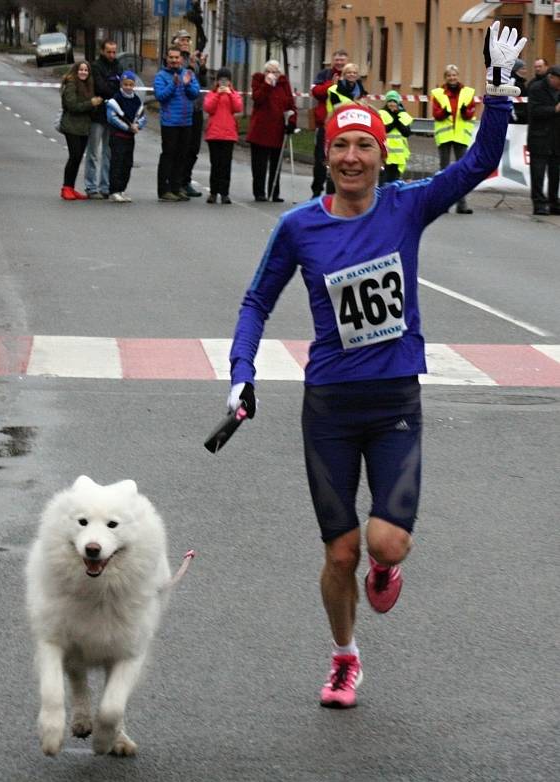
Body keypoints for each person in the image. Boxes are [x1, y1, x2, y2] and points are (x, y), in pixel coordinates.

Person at [225, 22, 525, 709]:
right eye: (341, 145)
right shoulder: (299, 226)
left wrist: (500, 91)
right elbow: (255, 302)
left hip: (392, 403)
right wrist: (241, 370)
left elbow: (476, 163)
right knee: (339, 554)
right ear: (325, 155)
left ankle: (386, 569)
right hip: (328, 405)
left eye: (363, 144)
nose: (353, 156)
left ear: (377, 155)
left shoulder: (405, 206)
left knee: (384, 545)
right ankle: (343, 656)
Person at [153, 47, 200, 202]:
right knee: (168, 155)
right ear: (167, 58)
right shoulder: (161, 76)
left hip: (186, 121)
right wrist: (173, 85)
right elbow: (160, 96)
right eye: (171, 57)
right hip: (170, 122)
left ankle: (176, 187)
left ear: (181, 59)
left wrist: (186, 85)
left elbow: (195, 93)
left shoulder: (188, 74)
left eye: (176, 57)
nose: (174, 60)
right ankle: (164, 189)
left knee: (182, 156)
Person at [246, 61, 297, 203]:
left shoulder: (284, 84)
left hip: (278, 128)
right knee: (259, 164)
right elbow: (258, 99)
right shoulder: (259, 81)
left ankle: (274, 191)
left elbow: (291, 104)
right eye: (269, 71)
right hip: (261, 129)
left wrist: (292, 122)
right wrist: (267, 85)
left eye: (275, 72)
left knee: (276, 162)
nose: (272, 74)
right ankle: (259, 192)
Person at [431, 64, 476, 214]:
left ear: (458, 76)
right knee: (444, 171)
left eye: (454, 75)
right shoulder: (438, 93)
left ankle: (461, 204)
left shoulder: (468, 92)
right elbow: (436, 113)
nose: (452, 78)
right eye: (449, 75)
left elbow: (471, 112)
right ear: (445, 78)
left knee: (461, 171)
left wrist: (465, 112)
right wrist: (443, 113)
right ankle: (442, 203)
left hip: (461, 136)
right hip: (445, 135)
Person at [172, 29, 208, 199]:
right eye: (182, 39)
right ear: (176, 42)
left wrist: (203, 68)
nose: (186, 42)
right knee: (181, 147)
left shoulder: (194, 59)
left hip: (196, 108)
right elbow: (180, 77)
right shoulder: (175, 58)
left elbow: (203, 84)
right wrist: (192, 67)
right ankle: (176, 182)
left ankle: (186, 180)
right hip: (182, 108)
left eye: (188, 39)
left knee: (193, 147)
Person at [59, 62, 103, 201]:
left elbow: (89, 107)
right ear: (75, 71)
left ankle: (71, 187)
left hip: (84, 127)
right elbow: (72, 106)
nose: (83, 72)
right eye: (81, 70)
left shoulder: (88, 85)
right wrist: (91, 103)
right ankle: (66, 187)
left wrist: (95, 105)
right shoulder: (71, 84)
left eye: (86, 70)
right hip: (71, 126)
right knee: (74, 156)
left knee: (78, 158)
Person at [84, 40, 121, 199]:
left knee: (109, 152)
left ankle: (105, 186)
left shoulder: (118, 66)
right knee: (93, 152)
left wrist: (113, 87)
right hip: (97, 115)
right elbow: (100, 87)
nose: (112, 55)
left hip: (112, 116)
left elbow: (122, 86)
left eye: (114, 52)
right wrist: (113, 87)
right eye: (109, 52)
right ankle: (91, 186)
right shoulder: (96, 67)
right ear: (102, 51)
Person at [310, 49, 349, 198]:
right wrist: (331, 85)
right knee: (320, 158)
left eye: (342, 60)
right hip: (325, 124)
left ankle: (336, 192)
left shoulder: (350, 77)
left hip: (344, 125)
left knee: (340, 159)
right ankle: (316, 191)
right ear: (333, 61)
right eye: (337, 60)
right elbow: (316, 92)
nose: (339, 63)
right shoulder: (324, 75)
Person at [203, 67, 243, 204]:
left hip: (228, 134)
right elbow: (208, 108)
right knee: (215, 164)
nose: (223, 82)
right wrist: (218, 94)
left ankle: (224, 193)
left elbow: (238, 107)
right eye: (221, 80)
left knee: (226, 165)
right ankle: (213, 192)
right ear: (217, 81)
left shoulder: (234, 93)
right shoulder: (212, 93)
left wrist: (229, 93)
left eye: (226, 80)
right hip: (214, 134)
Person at [106, 71, 146, 203]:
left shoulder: (136, 100)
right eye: (125, 84)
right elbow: (112, 118)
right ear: (121, 84)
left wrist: (138, 125)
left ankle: (122, 189)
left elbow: (142, 117)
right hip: (118, 136)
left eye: (131, 84)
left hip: (130, 138)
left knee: (127, 164)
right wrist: (128, 127)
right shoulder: (116, 99)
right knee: (117, 163)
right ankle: (114, 190)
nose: (128, 87)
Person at [527, 65, 560, 216]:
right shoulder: (536, 88)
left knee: (555, 173)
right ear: (551, 77)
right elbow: (534, 111)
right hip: (539, 138)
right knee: (538, 174)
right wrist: (554, 109)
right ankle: (539, 203)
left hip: (556, 139)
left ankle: (554, 202)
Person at [378, 90, 414, 184]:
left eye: (394, 101)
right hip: (385, 154)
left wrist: (397, 121)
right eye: (390, 101)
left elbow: (406, 132)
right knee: (384, 181)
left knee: (394, 181)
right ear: (386, 102)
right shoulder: (381, 113)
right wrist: (395, 122)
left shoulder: (403, 115)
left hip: (398, 155)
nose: (392, 104)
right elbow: (384, 129)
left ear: (398, 102)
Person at [510, 59, 528, 124]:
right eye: (523, 69)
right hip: (515, 117)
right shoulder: (512, 81)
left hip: (522, 116)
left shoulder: (521, 82)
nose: (525, 71)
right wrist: (514, 116)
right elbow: (509, 99)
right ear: (516, 69)